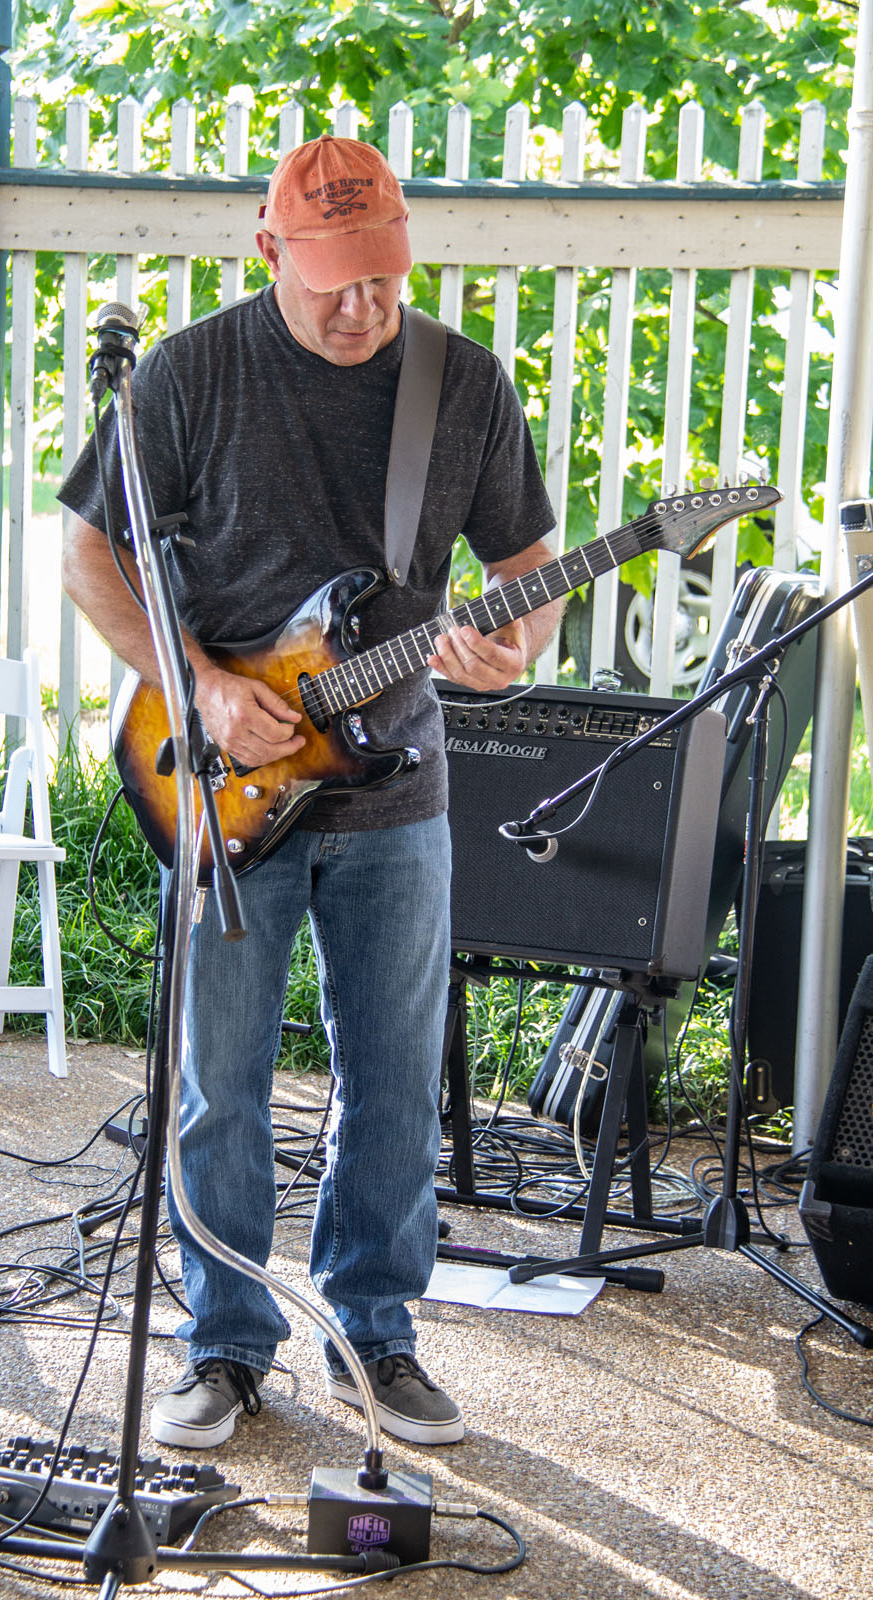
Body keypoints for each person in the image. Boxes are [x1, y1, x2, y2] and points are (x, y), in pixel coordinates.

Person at [59, 134, 563, 1451]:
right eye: (334, 279)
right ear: (269, 250)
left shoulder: (460, 388)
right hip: (223, 781)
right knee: (222, 1082)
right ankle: (224, 1345)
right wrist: (209, 688)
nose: (363, 306)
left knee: (392, 1082)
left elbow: (529, 566)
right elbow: (90, 556)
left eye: (383, 278)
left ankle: (375, 1335)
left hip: (397, 792)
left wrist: (510, 652)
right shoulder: (186, 375)